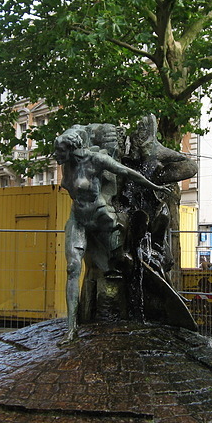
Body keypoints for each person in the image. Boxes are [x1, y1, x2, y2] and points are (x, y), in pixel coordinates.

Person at [55, 124, 171, 342]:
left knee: (120, 262)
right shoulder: (67, 164)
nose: (56, 156)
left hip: (101, 218)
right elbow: (75, 130)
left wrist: (154, 187)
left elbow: (126, 172)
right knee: (72, 268)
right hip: (78, 219)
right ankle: (71, 329)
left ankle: (139, 307)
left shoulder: (96, 160)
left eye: (59, 151)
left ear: (72, 149)